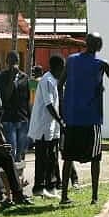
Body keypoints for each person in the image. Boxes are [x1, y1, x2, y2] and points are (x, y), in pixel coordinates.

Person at [60, 33, 109, 205]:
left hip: (72, 118)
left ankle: (64, 196)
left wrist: (63, 107)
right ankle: (94, 197)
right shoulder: (101, 65)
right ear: (100, 46)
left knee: (68, 158)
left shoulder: (71, 60)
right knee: (95, 158)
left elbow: (60, 84)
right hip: (91, 119)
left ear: (85, 43)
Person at [28, 55, 65, 199]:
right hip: (43, 126)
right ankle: (39, 187)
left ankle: (51, 186)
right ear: (57, 67)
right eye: (62, 68)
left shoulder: (55, 81)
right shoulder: (47, 80)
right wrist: (60, 120)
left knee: (53, 157)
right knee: (43, 158)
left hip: (52, 127)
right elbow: (49, 104)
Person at [0, 53, 31, 164]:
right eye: (11, 61)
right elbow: (6, 96)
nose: (13, 64)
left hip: (22, 118)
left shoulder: (24, 77)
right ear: (7, 62)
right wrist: (12, 78)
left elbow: (27, 98)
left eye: (15, 61)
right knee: (12, 149)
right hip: (9, 119)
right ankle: (12, 177)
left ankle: (20, 177)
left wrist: (29, 117)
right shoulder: (2, 76)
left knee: (21, 151)